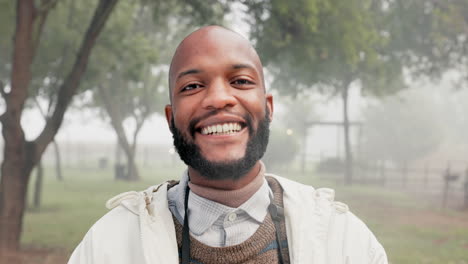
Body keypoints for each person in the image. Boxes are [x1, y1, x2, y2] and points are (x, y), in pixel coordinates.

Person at [68, 25, 387, 264]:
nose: (220, 98)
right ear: (170, 118)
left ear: (269, 107)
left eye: (241, 81)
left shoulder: (346, 242)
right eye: (192, 86)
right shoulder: (108, 246)